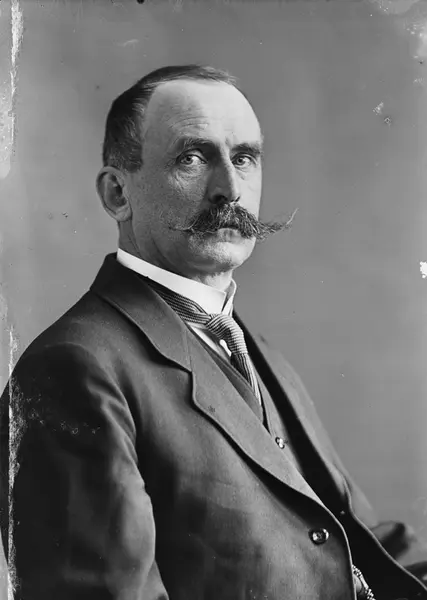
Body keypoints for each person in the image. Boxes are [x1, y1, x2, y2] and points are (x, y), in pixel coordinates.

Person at [0, 64, 426, 600]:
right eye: (192, 158)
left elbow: (355, 544)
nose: (229, 189)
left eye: (243, 158)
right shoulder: (71, 370)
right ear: (117, 194)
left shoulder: (254, 352)